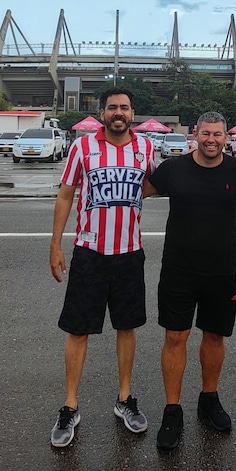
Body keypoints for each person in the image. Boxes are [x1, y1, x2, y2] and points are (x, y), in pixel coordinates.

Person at [144, 111, 236, 451]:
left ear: (227, 137)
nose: (211, 139)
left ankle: (209, 399)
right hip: (178, 269)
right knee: (175, 336)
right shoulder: (173, 169)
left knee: (214, 335)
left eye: (218, 134)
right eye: (205, 133)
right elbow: (135, 192)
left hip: (223, 270)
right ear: (194, 134)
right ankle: (172, 410)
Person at [48, 86, 157, 448]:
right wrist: (55, 244)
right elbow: (66, 194)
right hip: (90, 253)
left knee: (126, 327)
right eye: (112, 107)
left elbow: (155, 185)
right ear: (103, 112)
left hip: (129, 253)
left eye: (124, 107)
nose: (119, 113)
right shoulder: (82, 147)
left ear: (132, 113)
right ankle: (70, 405)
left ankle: (124, 399)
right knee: (78, 329)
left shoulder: (145, 147)